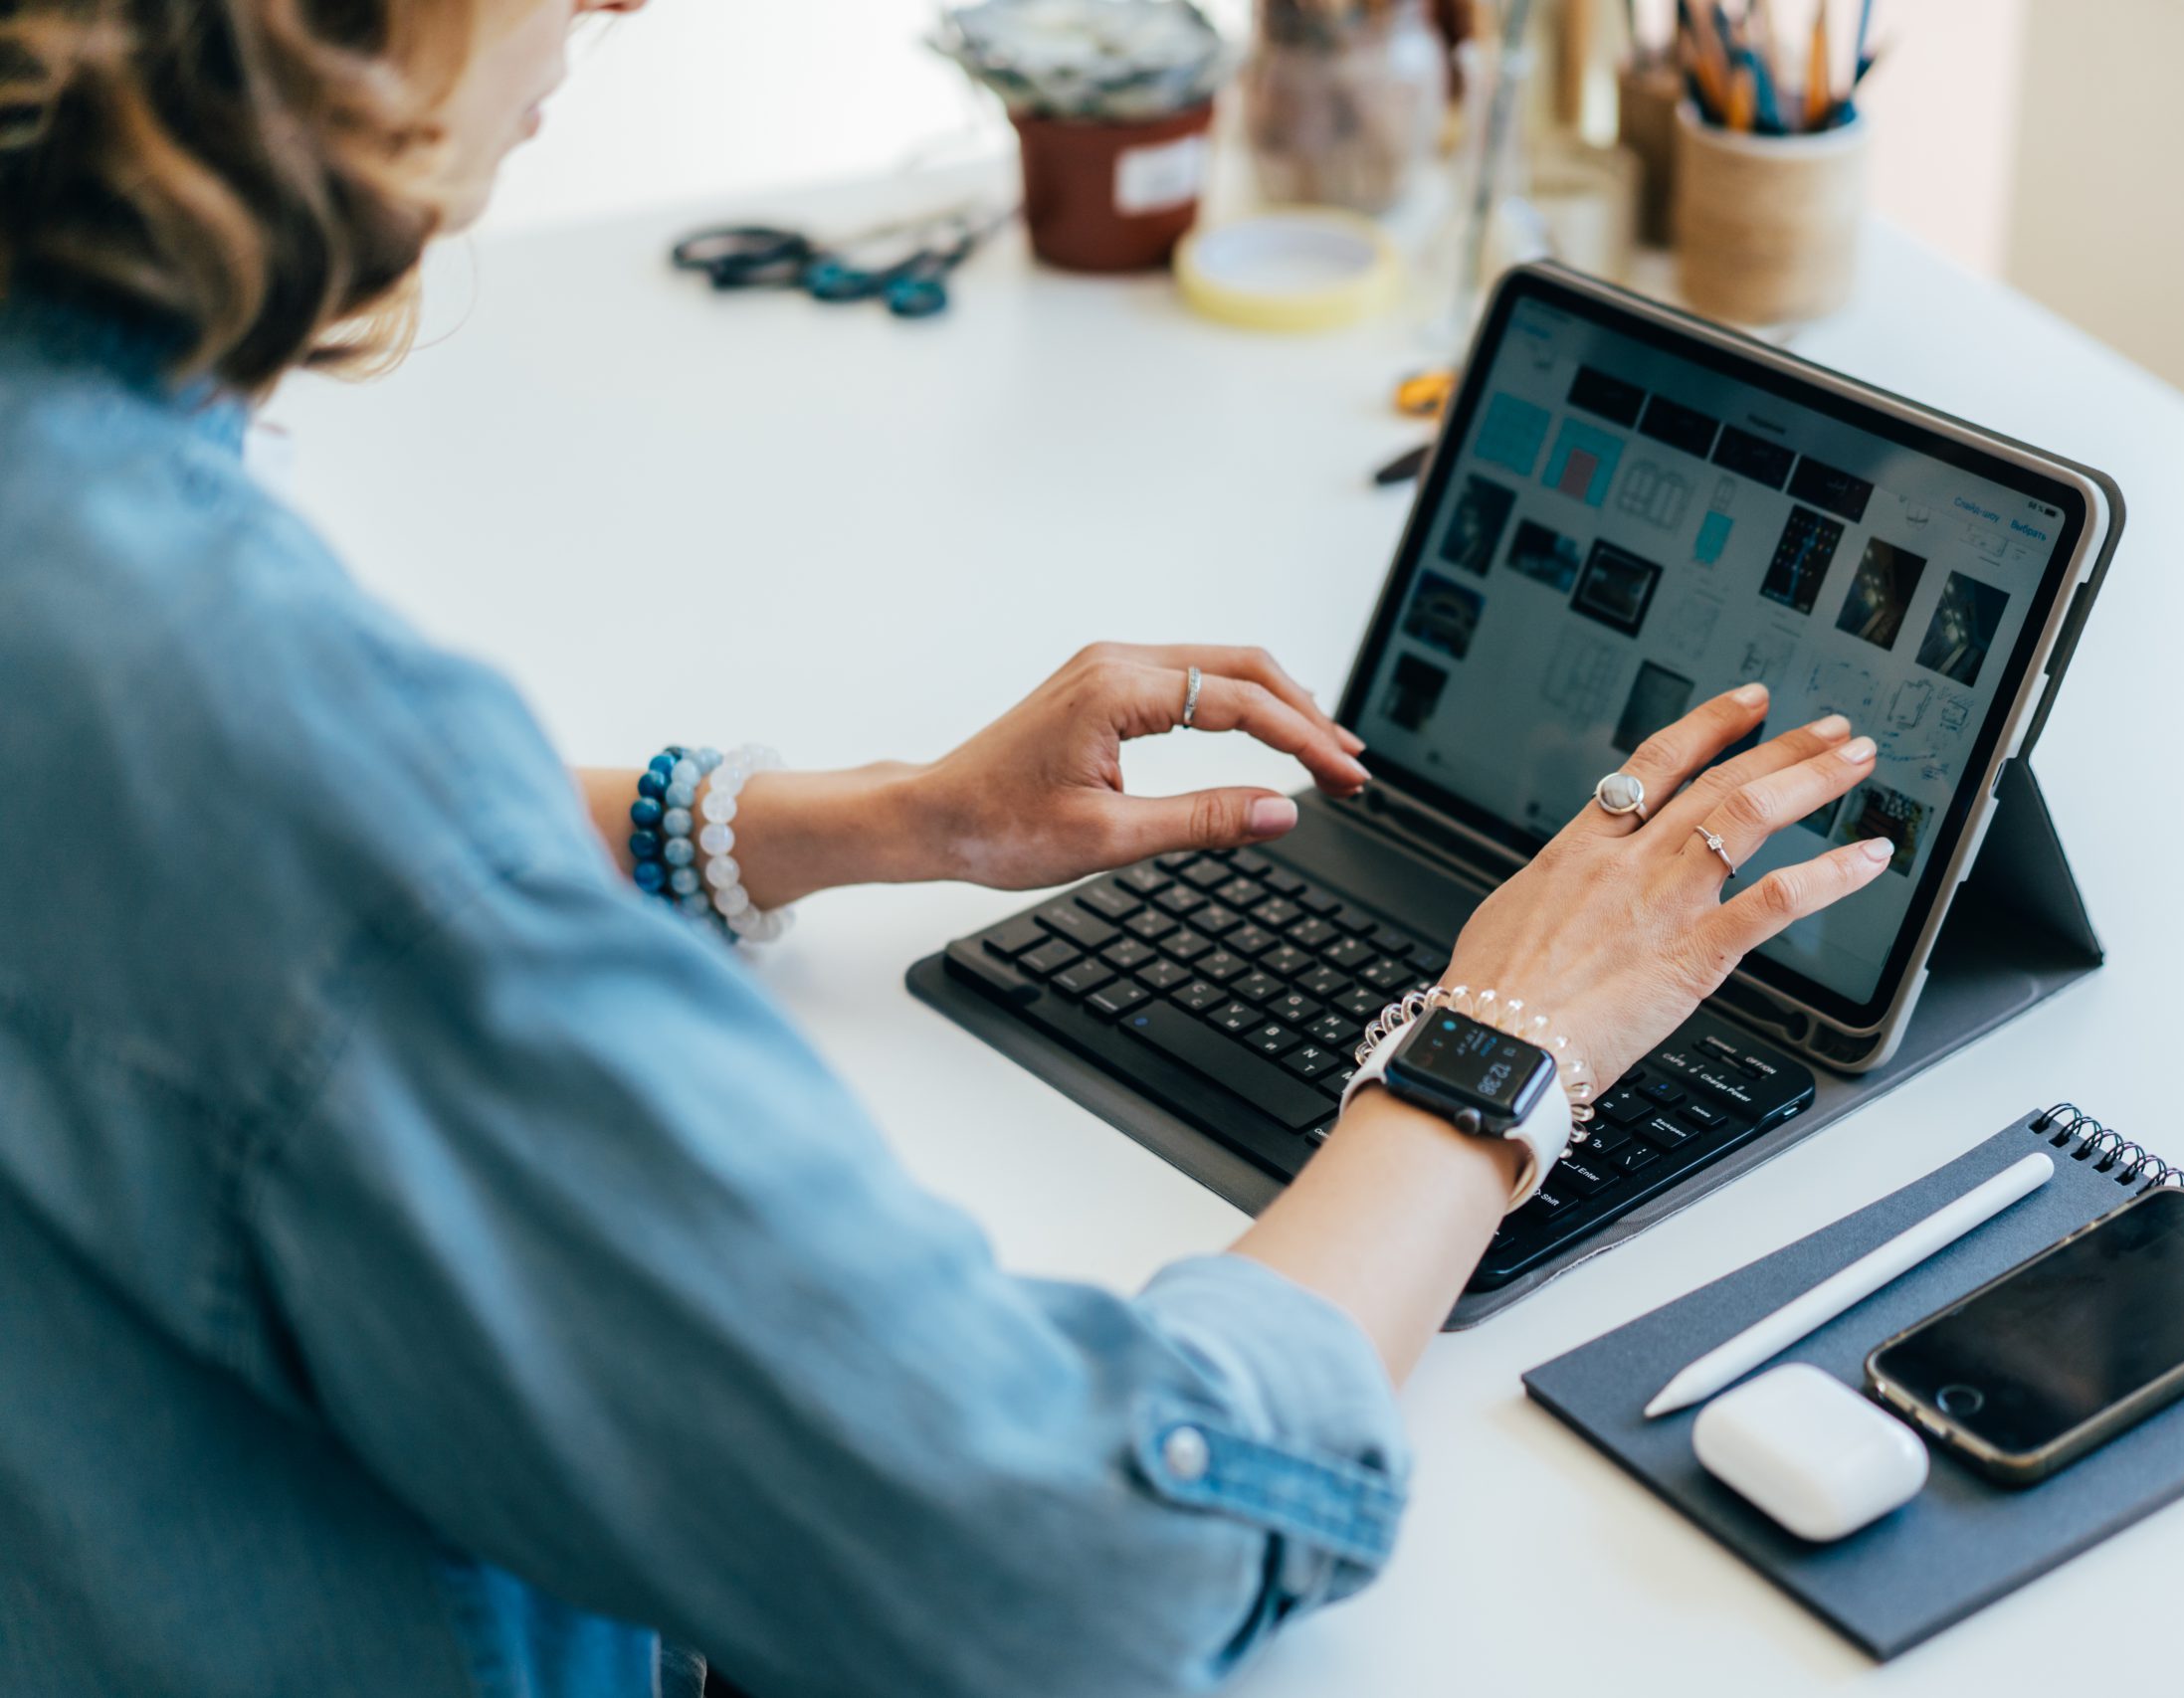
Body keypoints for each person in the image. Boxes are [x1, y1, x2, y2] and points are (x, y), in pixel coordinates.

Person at [0, 3, 1896, 1694]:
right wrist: (1503, 1043)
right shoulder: (299, 784)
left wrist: (863, 825)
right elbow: (1093, 1568)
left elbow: (226, 895)